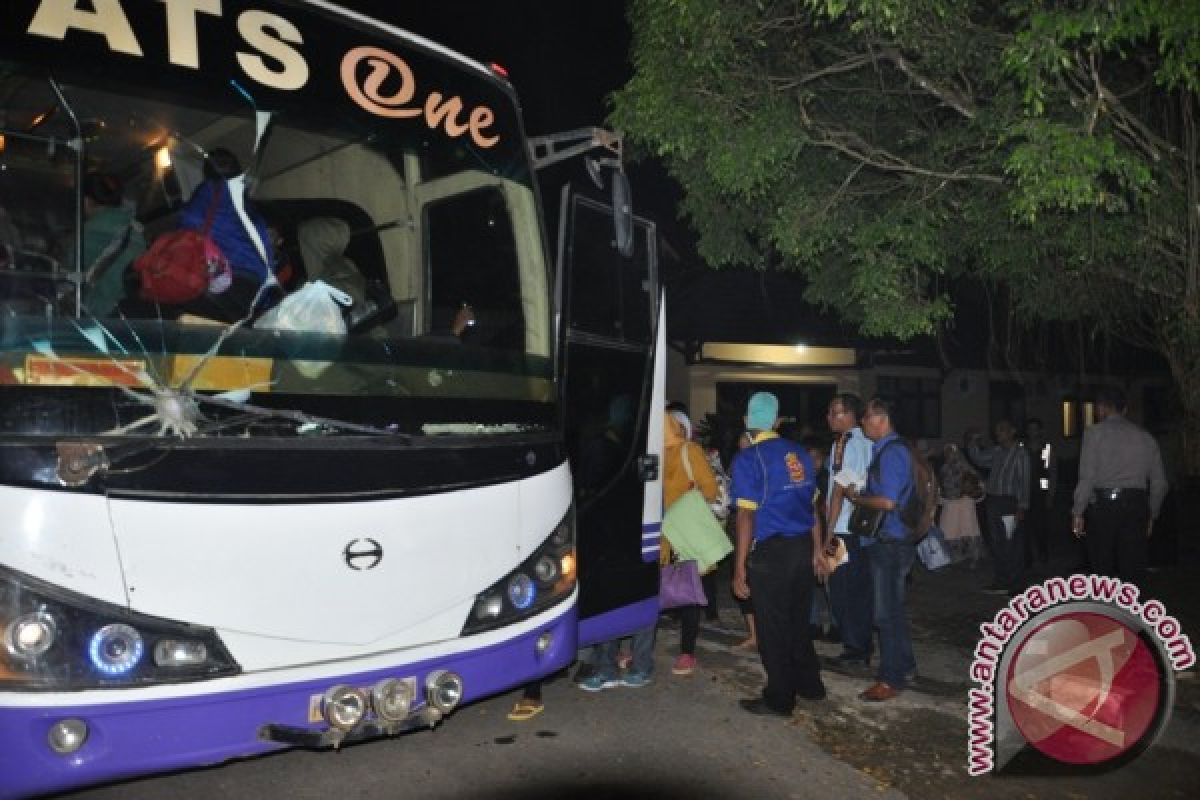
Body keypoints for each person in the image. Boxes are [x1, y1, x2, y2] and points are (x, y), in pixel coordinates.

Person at [731, 392, 828, 716]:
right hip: (802, 547)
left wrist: (740, 567)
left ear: (747, 422)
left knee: (772, 629)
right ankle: (811, 685)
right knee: (798, 623)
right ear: (775, 421)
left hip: (772, 553)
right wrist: (816, 550)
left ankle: (780, 698)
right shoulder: (799, 453)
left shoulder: (748, 459)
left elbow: (745, 516)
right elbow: (813, 505)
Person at [844, 396, 917, 702]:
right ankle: (905, 666)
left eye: (865, 418)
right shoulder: (891, 450)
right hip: (892, 540)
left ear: (880, 418)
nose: (862, 423)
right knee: (893, 610)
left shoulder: (891, 452)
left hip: (890, 542)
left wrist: (856, 498)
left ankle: (890, 679)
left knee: (885, 614)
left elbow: (888, 502)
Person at [1071, 386, 1168, 587]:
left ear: (1101, 408)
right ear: (1124, 410)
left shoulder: (1094, 433)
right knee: (1133, 568)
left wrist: (1078, 511)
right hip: (1136, 505)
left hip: (1104, 506)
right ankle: (1130, 613)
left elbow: (1087, 477)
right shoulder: (1146, 437)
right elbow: (1159, 482)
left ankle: (1106, 611)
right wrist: (1152, 513)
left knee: (1102, 566)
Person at [178, 147, 276, 321]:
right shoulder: (248, 206)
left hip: (222, 278)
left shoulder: (209, 192)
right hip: (251, 285)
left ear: (207, 172)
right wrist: (263, 298)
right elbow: (265, 251)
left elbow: (188, 222)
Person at [824, 392, 875, 668]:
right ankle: (860, 644)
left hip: (843, 528)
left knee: (841, 587)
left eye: (835, 412)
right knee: (857, 587)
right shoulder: (868, 440)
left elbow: (839, 489)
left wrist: (827, 533)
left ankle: (855, 647)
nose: (830, 417)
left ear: (851, 415)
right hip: (862, 527)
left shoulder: (846, 443)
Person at [968, 420, 1030, 595]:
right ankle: (1001, 580)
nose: (998, 434)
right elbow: (979, 458)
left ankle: (1016, 584)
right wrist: (972, 442)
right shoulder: (997, 452)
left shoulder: (1020, 454)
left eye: (1002, 430)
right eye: (996, 430)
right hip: (993, 501)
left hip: (1010, 503)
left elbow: (1024, 481)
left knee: (1012, 544)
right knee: (997, 543)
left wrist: (1022, 506)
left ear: (1012, 431)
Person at [80, 172, 146, 316]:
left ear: (86, 201)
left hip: (100, 314)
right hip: (133, 313)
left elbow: (66, 276)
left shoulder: (87, 233)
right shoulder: (136, 230)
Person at [938, 443, 984, 566]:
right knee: (949, 530)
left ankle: (973, 557)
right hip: (950, 503)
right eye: (946, 452)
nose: (949, 455)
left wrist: (970, 491)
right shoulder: (943, 468)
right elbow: (941, 486)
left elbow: (977, 483)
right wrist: (941, 497)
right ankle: (954, 557)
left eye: (951, 452)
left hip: (965, 503)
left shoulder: (965, 467)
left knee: (968, 529)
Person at [1022, 418, 1054, 567]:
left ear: (1040, 431)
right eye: (1030, 429)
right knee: (1025, 525)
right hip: (1024, 492)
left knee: (1041, 525)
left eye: (1035, 429)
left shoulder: (1046, 448)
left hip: (1040, 492)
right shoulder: (1022, 448)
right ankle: (1027, 556)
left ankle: (1043, 553)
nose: (1032, 432)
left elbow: (1051, 472)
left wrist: (1049, 494)